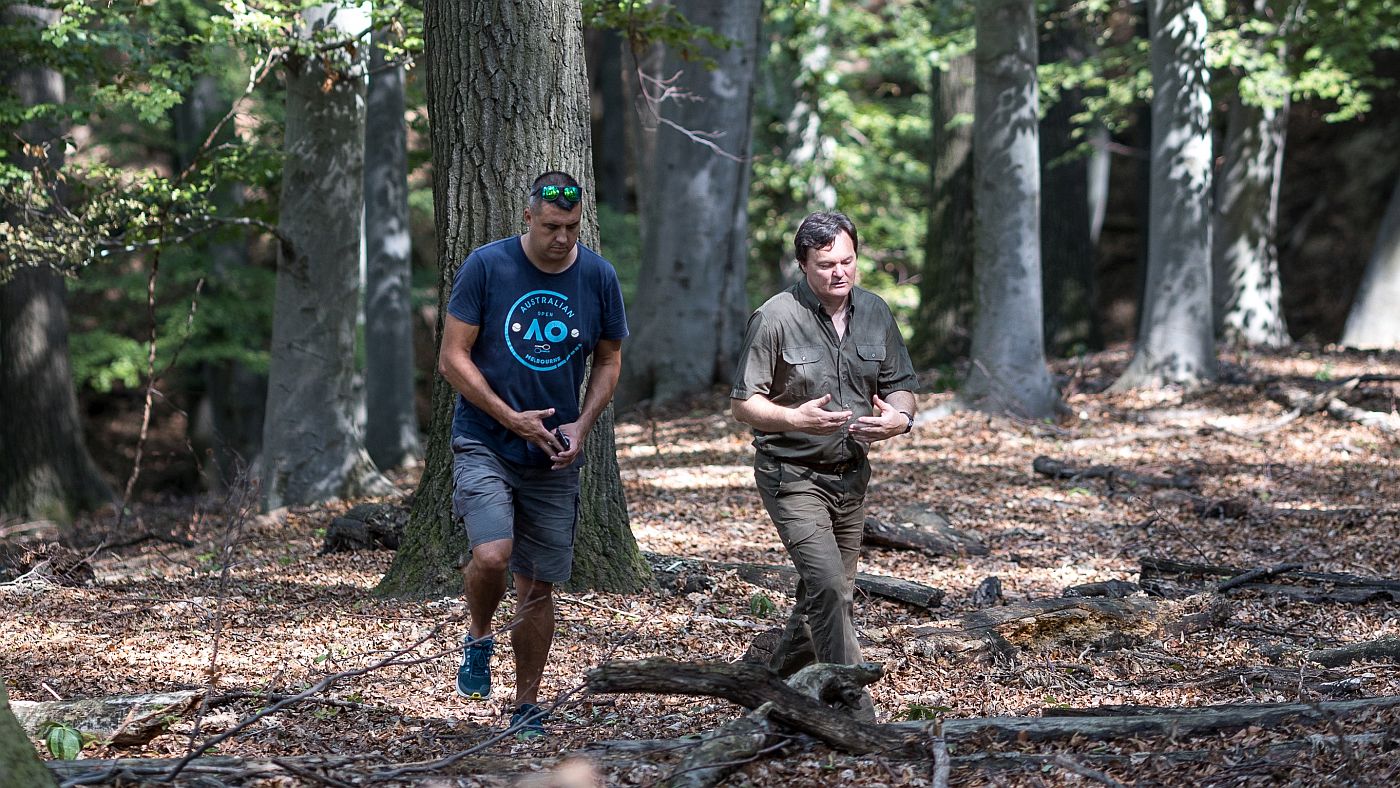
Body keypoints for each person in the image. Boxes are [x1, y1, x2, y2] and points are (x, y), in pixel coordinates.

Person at [440, 171, 627, 739]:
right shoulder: (488, 267)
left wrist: (582, 423)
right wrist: (509, 418)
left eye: (572, 227)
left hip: (551, 454)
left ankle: (525, 705)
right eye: (551, 226)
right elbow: (452, 357)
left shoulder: (597, 277)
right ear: (528, 217)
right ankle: (477, 635)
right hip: (485, 440)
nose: (562, 238)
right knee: (493, 555)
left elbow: (609, 359)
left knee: (537, 585)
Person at [729, 211, 917, 720]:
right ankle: (854, 712)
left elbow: (901, 382)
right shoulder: (774, 317)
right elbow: (744, 404)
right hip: (792, 477)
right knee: (832, 590)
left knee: (825, 595)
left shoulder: (876, 312)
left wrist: (899, 419)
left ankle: (772, 685)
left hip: (852, 477)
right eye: (827, 264)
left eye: (848, 261)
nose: (840, 272)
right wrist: (795, 419)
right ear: (803, 265)